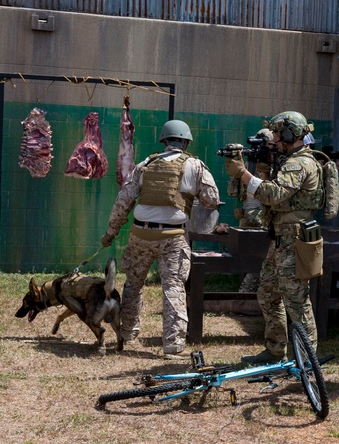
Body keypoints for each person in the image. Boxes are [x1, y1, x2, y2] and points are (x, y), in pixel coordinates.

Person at [100, 119, 220, 356]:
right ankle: (173, 343)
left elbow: (122, 202)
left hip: (140, 234)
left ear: (164, 141)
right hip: (173, 236)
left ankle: (127, 333)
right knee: (173, 287)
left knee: (133, 284)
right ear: (185, 142)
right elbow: (211, 199)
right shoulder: (195, 165)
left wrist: (110, 234)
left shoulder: (145, 164)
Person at [225, 111, 324, 365]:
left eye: (279, 134)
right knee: (268, 293)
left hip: (294, 240)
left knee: (296, 302)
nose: (276, 139)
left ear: (292, 133)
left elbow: (275, 194)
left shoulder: (299, 163)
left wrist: (244, 175)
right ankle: (276, 349)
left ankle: (308, 361)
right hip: (281, 239)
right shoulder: (288, 160)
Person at [227, 128, 273, 293]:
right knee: (259, 259)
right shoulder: (269, 168)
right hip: (260, 218)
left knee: (250, 259)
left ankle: (248, 291)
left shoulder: (246, 166)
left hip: (247, 216)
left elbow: (232, 191)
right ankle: (247, 292)